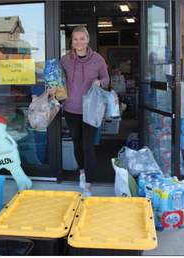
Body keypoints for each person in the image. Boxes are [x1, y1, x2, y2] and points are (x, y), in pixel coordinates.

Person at [59, 26, 109, 197]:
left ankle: (88, 185)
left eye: (82, 38)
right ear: (72, 42)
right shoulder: (65, 59)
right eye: (75, 39)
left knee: (88, 146)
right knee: (77, 144)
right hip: (72, 108)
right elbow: (59, 81)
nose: (78, 42)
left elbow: (106, 78)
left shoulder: (97, 59)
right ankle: (82, 173)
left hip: (91, 110)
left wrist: (100, 83)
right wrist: (53, 88)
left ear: (88, 40)